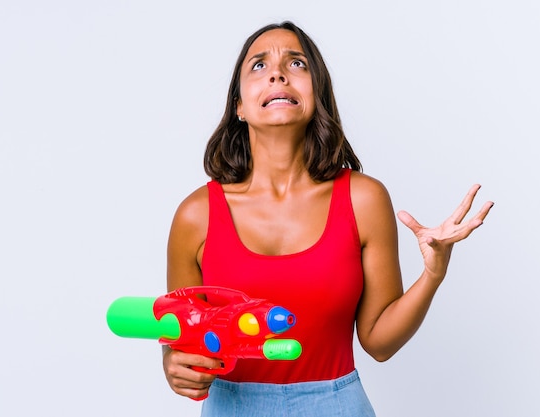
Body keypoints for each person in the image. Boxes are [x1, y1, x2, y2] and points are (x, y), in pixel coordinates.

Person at [162, 21, 493, 417]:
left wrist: (433, 274)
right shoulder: (195, 215)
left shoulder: (363, 199)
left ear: (316, 94)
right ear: (239, 106)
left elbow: (379, 342)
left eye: (297, 63)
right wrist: (173, 363)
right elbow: (183, 337)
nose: (278, 73)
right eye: (258, 65)